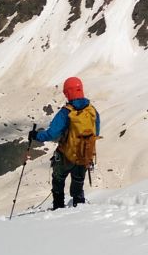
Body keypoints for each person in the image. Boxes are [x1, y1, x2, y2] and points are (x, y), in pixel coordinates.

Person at [29, 76, 100, 209]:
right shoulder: (92, 111)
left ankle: (58, 208)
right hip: (84, 155)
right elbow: (96, 133)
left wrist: (36, 136)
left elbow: (52, 133)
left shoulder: (66, 112)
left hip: (66, 157)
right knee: (78, 182)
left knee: (58, 179)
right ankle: (79, 206)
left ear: (68, 92)